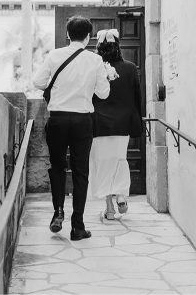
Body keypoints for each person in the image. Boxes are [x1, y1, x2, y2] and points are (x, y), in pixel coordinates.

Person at [33, 15, 110, 241]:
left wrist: (58, 87)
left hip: (57, 119)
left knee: (57, 166)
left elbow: (37, 82)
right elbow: (103, 93)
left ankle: (58, 212)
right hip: (82, 121)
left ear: (68, 34)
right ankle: (78, 226)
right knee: (80, 172)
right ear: (88, 37)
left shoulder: (55, 55)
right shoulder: (95, 60)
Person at [89, 29, 141, 219]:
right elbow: (136, 97)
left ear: (99, 47)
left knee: (102, 164)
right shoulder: (129, 68)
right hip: (122, 124)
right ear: (117, 45)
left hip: (99, 124)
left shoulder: (94, 68)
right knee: (119, 159)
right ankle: (120, 195)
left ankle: (109, 208)